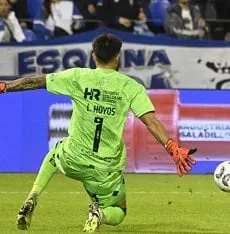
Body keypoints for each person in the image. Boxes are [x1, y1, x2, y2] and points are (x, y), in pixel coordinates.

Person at [0, 33, 197, 232]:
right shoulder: (131, 87)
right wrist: (172, 148)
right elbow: (151, 122)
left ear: (93, 55)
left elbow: (33, 82)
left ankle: (33, 195)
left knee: (56, 151)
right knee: (119, 211)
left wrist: (5, 86)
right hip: (105, 169)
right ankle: (100, 214)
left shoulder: (77, 77)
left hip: (73, 159)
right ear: (117, 56)